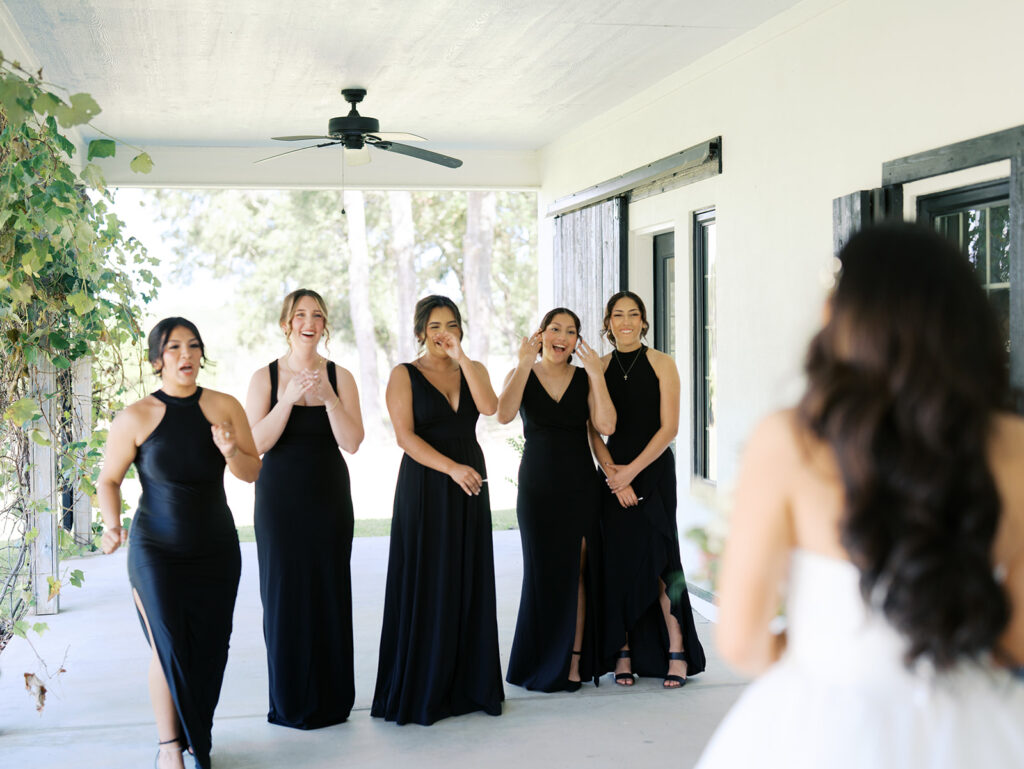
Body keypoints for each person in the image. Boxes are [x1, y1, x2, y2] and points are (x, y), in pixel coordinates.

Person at [695, 224, 1024, 769]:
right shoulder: (1014, 445)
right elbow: (1016, 640)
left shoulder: (790, 440)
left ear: (843, 320)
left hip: (825, 731)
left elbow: (742, 642)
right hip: (978, 729)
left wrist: (828, 655)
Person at [98, 318, 260, 769]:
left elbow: (254, 471)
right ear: (157, 360)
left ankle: (196, 737)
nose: (185, 355)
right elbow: (108, 480)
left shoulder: (224, 406)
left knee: (209, 647)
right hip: (156, 552)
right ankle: (170, 746)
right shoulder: (136, 416)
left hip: (216, 550)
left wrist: (230, 451)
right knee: (166, 644)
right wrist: (112, 525)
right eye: (173, 348)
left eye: (192, 346)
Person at [371, 295, 504, 725]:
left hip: (469, 484)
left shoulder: (473, 368)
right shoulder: (404, 375)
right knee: (428, 579)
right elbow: (405, 438)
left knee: (468, 576)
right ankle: (423, 687)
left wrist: (461, 357)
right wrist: (451, 468)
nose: (443, 333)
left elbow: (490, 408)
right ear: (420, 332)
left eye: (451, 325)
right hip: (428, 483)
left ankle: (468, 685)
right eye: (434, 326)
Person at [245, 289, 364, 729]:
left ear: (324, 325)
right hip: (279, 501)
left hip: (330, 498)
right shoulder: (265, 378)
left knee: (330, 592)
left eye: (317, 314)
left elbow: (352, 442)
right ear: (286, 324)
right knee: (284, 597)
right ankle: (290, 700)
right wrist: (287, 399)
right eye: (300, 315)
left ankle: (334, 700)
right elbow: (254, 445)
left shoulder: (341, 375)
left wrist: (330, 398)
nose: (308, 321)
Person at [590, 291, 706, 687]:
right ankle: (622, 651)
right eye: (617, 315)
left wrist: (630, 475)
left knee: (661, 560)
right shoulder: (598, 367)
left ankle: (677, 647)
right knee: (618, 561)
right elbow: (594, 431)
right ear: (607, 323)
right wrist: (612, 475)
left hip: (653, 472)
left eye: (633, 314)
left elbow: (668, 429)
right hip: (613, 474)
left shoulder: (662, 363)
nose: (625, 321)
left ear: (644, 321)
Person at [498, 307, 616, 691]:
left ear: (577, 340)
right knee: (542, 572)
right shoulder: (523, 373)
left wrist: (597, 374)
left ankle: (575, 661)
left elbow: (606, 425)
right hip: (536, 488)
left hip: (580, 487)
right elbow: (503, 414)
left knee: (577, 573)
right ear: (541, 334)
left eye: (570, 331)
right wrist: (521, 363)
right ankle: (538, 660)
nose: (561, 336)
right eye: (554, 329)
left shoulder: (585, 378)